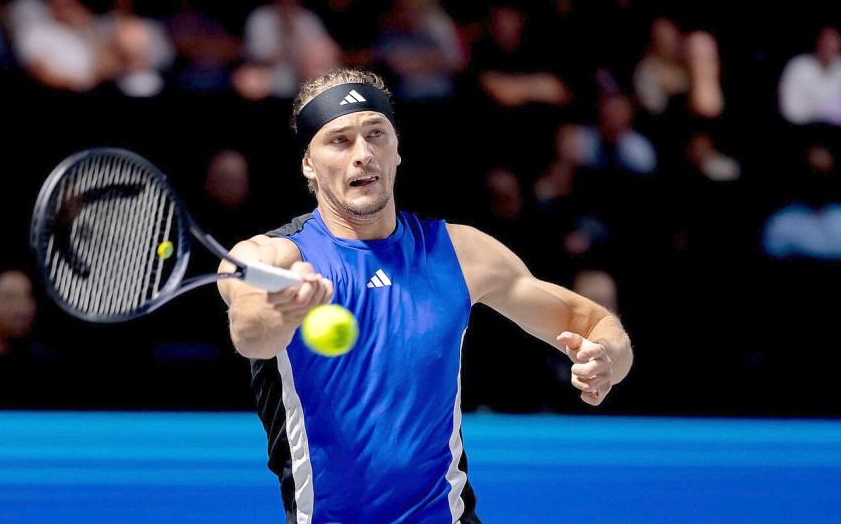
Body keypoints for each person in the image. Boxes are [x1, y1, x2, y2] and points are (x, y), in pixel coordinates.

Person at [217, 68, 633, 523]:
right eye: (339, 140)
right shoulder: (272, 256)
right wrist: (284, 312)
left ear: (397, 150)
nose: (363, 154)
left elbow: (589, 320)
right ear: (308, 163)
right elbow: (250, 332)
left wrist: (609, 356)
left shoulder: (460, 252)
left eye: (376, 134)